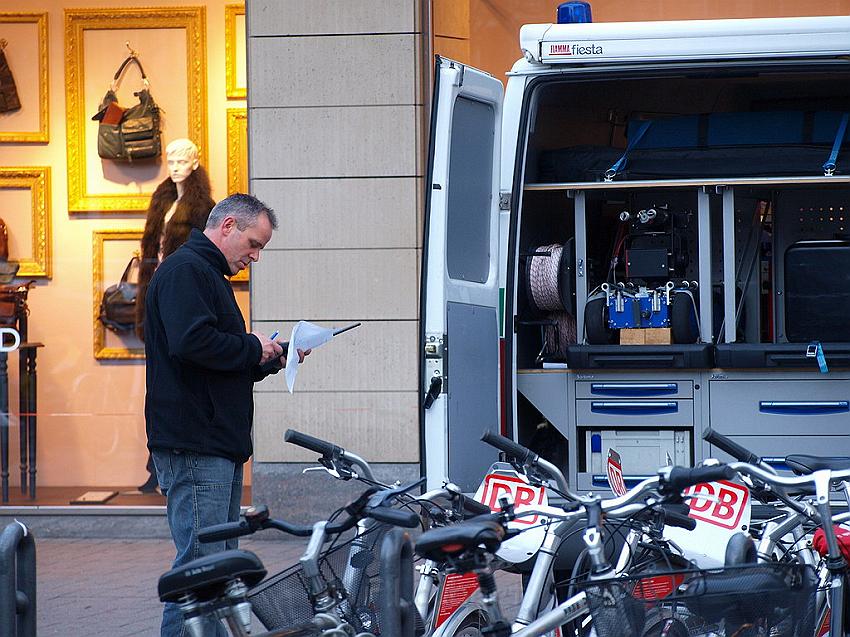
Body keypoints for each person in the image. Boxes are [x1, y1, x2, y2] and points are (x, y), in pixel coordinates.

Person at [145, 193, 303, 637]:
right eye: (254, 244)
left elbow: (212, 361)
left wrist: (268, 358)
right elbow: (192, 343)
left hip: (212, 441)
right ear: (228, 226)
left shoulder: (203, 272)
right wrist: (253, 346)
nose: (254, 256)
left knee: (215, 572)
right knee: (200, 572)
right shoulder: (188, 271)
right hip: (197, 443)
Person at [136, 138, 215, 493]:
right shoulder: (163, 199)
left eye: (182, 160)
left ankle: (169, 465)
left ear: (195, 163)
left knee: (179, 376)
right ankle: (157, 465)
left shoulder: (203, 207)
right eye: (170, 159)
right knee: (158, 380)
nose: (175, 166)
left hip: (182, 298)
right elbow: (151, 252)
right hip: (158, 293)